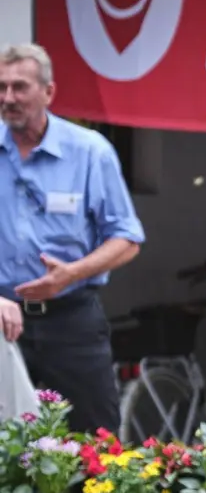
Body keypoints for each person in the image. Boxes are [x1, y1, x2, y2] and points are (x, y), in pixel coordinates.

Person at [0, 43, 143, 433]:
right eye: (2, 88)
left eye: (19, 87)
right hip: (2, 320)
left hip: (72, 316)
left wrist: (73, 272)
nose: (8, 98)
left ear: (48, 92)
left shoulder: (90, 152)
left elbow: (127, 238)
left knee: (95, 437)